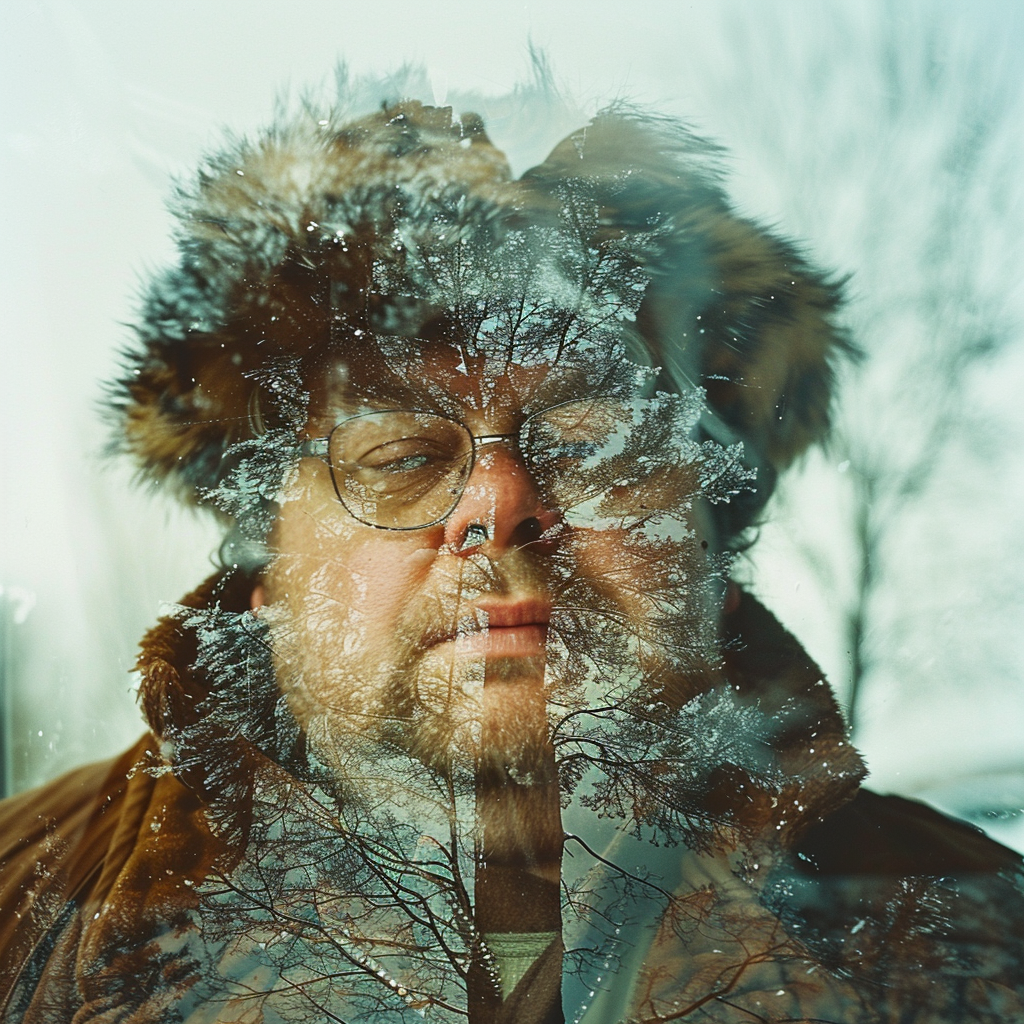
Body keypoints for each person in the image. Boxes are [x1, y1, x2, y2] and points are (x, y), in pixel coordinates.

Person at [1, 96, 1022, 1024]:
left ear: (710, 537)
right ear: (270, 570)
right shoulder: (22, 913)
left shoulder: (982, 943)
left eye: (584, 440)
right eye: (399, 456)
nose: (498, 500)